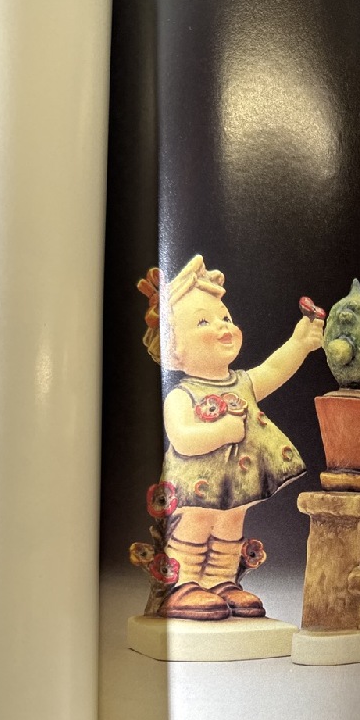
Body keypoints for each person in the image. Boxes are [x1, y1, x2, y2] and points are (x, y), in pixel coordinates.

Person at [135, 254, 324, 620]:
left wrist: (299, 342)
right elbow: (182, 438)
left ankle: (222, 581)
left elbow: (274, 368)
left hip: (237, 480)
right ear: (174, 349)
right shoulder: (181, 395)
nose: (223, 326)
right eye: (203, 321)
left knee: (231, 522)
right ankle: (184, 583)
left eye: (225, 317)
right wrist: (220, 431)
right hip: (196, 487)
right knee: (196, 523)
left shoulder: (242, 383)